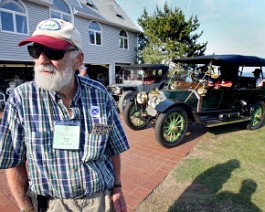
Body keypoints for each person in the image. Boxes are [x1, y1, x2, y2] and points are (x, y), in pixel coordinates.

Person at [0, 18, 129, 212]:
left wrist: (117, 187)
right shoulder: (21, 100)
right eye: (36, 50)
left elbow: (112, 147)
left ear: (78, 59)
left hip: (100, 202)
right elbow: (13, 161)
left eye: (53, 52)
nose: (42, 59)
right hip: (50, 205)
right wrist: (26, 208)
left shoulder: (100, 95)